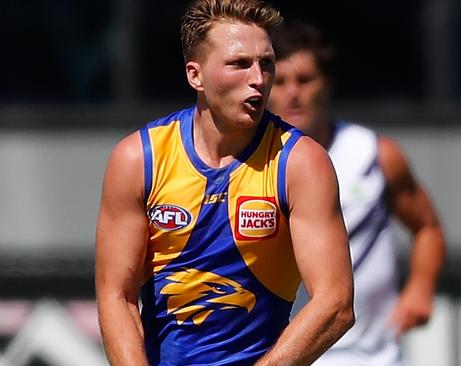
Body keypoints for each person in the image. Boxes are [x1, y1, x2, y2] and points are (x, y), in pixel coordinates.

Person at [95, 1, 355, 365]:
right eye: (240, 64)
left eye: (266, 63)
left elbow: (336, 303)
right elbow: (116, 296)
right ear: (195, 76)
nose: (259, 79)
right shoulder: (138, 159)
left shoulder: (300, 162)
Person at [268, 20, 446, 366]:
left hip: (372, 356)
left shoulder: (373, 154)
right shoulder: (247, 165)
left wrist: (421, 287)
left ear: (327, 84)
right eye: (282, 80)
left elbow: (427, 228)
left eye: (305, 80)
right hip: (284, 357)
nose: (293, 93)